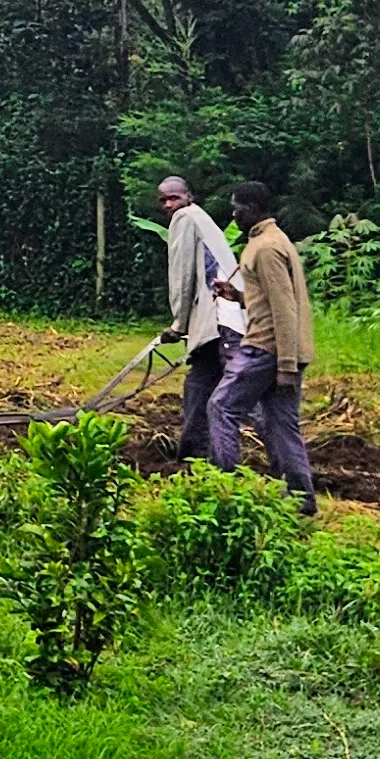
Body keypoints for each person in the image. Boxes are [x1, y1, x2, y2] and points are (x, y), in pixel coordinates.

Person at [205, 180, 318, 512]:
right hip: (285, 349)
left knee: (221, 407)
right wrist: (237, 296)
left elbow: (284, 308)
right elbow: (268, 300)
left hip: (266, 349)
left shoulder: (266, 248)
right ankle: (301, 501)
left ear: (251, 208)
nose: (233, 214)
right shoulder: (273, 240)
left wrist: (284, 365)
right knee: (282, 424)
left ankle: (223, 488)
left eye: (236, 207)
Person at [152, 176, 240, 465]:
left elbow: (182, 274)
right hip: (228, 318)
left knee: (216, 391)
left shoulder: (184, 218)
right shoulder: (202, 218)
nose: (168, 205)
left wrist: (179, 324)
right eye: (163, 200)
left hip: (216, 318)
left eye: (173, 198)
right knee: (208, 389)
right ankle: (201, 457)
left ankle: (198, 458)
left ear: (189, 196)